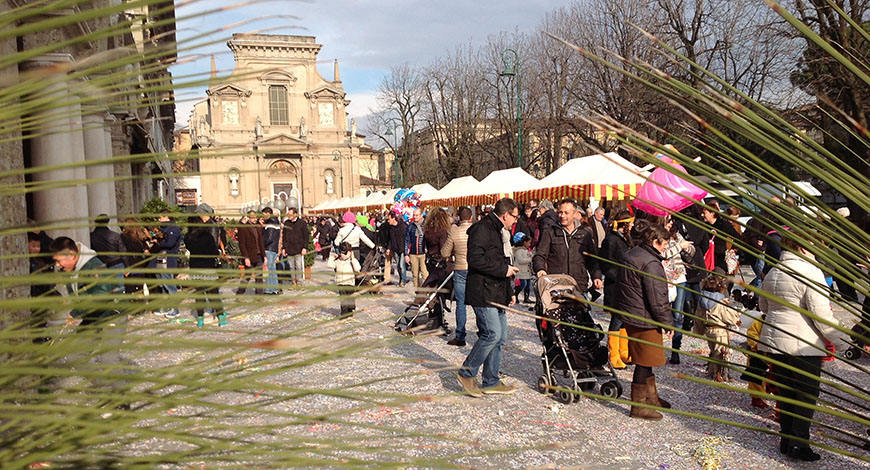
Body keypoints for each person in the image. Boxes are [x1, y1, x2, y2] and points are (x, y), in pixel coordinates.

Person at [758, 232, 843, 462]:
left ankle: (786, 440)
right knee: (806, 395)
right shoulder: (810, 272)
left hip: (775, 341)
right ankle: (799, 444)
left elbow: (763, 305)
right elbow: (820, 314)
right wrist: (841, 341)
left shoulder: (774, 271)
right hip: (803, 344)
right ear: (803, 248)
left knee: (785, 393)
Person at [455, 198, 520, 397]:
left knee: (500, 338)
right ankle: (467, 372)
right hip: (483, 291)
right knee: (491, 333)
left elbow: (501, 260)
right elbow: (474, 260)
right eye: (515, 217)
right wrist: (504, 270)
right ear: (506, 215)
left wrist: (510, 292)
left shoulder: (500, 231)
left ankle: (490, 380)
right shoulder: (482, 229)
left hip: (497, 290)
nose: (515, 221)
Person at [50, 236, 126, 395]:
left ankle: (122, 399)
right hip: (93, 318)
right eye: (55, 262)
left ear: (72, 255)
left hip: (112, 314)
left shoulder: (94, 266)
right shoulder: (69, 271)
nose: (58, 265)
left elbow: (102, 295)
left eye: (59, 261)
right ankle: (104, 387)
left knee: (108, 359)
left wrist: (77, 312)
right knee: (75, 355)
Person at [614, 220, 674, 420]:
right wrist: (667, 322)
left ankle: (651, 397)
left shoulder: (632, 254)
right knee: (644, 362)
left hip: (631, 313)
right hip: (644, 317)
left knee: (646, 359)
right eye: (664, 242)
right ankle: (638, 406)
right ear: (655, 241)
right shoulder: (650, 262)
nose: (666, 245)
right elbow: (657, 298)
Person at [533, 198, 603, 294]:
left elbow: (592, 260)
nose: (562, 216)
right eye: (560, 212)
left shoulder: (584, 234)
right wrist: (540, 268)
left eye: (566, 213)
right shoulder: (550, 232)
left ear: (574, 214)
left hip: (579, 285)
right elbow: (540, 255)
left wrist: (596, 276)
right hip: (556, 285)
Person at [599, 209, 634, 369]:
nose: (633, 226)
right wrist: (621, 277)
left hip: (627, 287)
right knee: (617, 319)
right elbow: (606, 265)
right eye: (631, 223)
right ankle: (613, 354)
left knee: (625, 319)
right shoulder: (610, 240)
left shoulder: (627, 239)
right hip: (616, 286)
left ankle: (624, 351)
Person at [661, 218, 695, 364]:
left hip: (679, 277)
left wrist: (686, 247)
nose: (670, 224)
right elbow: (662, 254)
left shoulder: (676, 235)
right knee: (661, 312)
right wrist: (679, 247)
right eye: (667, 221)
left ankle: (676, 349)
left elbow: (691, 251)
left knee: (678, 314)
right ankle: (658, 348)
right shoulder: (656, 235)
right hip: (664, 277)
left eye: (671, 221)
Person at [696, 274, 741, 382]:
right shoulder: (720, 302)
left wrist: (699, 330)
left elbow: (697, 316)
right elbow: (726, 316)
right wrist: (736, 319)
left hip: (708, 329)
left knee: (713, 350)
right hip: (719, 330)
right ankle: (719, 374)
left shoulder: (701, 301)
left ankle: (711, 371)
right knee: (721, 352)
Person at [185, 215, 226, 327]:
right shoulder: (207, 236)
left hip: (195, 268)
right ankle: (221, 317)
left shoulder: (188, 237)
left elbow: (189, 248)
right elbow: (213, 252)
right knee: (214, 294)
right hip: (208, 268)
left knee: (199, 295)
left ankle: (200, 319)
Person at [442, 206, 473, 346]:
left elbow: (444, 252)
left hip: (460, 268)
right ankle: (484, 333)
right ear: (471, 218)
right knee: (478, 303)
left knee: (461, 304)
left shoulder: (454, 232)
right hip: (474, 269)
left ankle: (460, 336)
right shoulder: (477, 231)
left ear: (459, 218)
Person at [152, 210, 182, 317]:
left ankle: (175, 309)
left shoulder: (173, 229)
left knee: (169, 285)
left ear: (167, 217)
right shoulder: (164, 229)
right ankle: (165, 307)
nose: (159, 220)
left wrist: (159, 242)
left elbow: (170, 244)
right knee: (163, 285)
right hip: (160, 259)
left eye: (160, 217)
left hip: (168, 260)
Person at [236, 211, 266, 296]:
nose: (255, 219)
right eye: (253, 217)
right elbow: (242, 244)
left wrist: (264, 255)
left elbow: (261, 242)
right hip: (249, 255)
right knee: (247, 276)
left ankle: (259, 295)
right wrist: (246, 257)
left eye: (256, 217)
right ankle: (239, 294)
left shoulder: (257, 227)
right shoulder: (244, 228)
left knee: (259, 276)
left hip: (258, 254)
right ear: (248, 218)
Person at [327, 242, 360, 318]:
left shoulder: (351, 261)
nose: (342, 255)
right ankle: (344, 314)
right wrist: (332, 257)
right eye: (341, 253)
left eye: (344, 253)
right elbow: (329, 265)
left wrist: (352, 258)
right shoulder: (338, 260)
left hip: (350, 282)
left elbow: (358, 269)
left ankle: (350, 310)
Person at [282, 207, 309, 287]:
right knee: (291, 267)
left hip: (299, 248)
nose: (289, 216)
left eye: (290, 214)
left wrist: (305, 247)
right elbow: (284, 237)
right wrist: (284, 248)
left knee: (298, 266)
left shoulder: (302, 223)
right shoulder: (286, 223)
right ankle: (293, 282)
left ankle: (299, 283)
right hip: (289, 249)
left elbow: (306, 236)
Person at [404, 207, 428, 287]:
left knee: (425, 274)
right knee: (415, 275)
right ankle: (417, 293)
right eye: (414, 215)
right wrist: (406, 254)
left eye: (417, 215)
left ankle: (425, 292)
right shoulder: (410, 226)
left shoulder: (426, 225)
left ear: (421, 215)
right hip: (413, 253)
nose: (415, 217)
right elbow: (407, 240)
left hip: (423, 253)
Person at [261, 207, 282, 293]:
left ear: (267, 213)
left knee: (270, 269)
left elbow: (268, 238)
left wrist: (262, 245)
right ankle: (274, 288)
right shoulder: (276, 222)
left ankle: (270, 290)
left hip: (269, 248)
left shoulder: (270, 223)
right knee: (272, 269)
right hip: (274, 248)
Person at [386, 211, 409, 286]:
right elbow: (390, 239)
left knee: (402, 265)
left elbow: (407, 238)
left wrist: (407, 248)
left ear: (393, 218)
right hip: (395, 249)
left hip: (402, 248)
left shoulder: (403, 226)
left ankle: (403, 280)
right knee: (398, 266)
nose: (388, 221)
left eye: (389, 219)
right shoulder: (390, 228)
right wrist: (389, 248)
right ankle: (401, 279)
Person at [512, 232, 533, 304]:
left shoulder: (526, 250)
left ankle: (526, 298)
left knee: (528, 285)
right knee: (522, 284)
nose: (530, 245)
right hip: (520, 271)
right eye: (529, 243)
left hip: (527, 271)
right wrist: (530, 260)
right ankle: (515, 294)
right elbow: (520, 260)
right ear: (524, 242)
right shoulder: (518, 251)